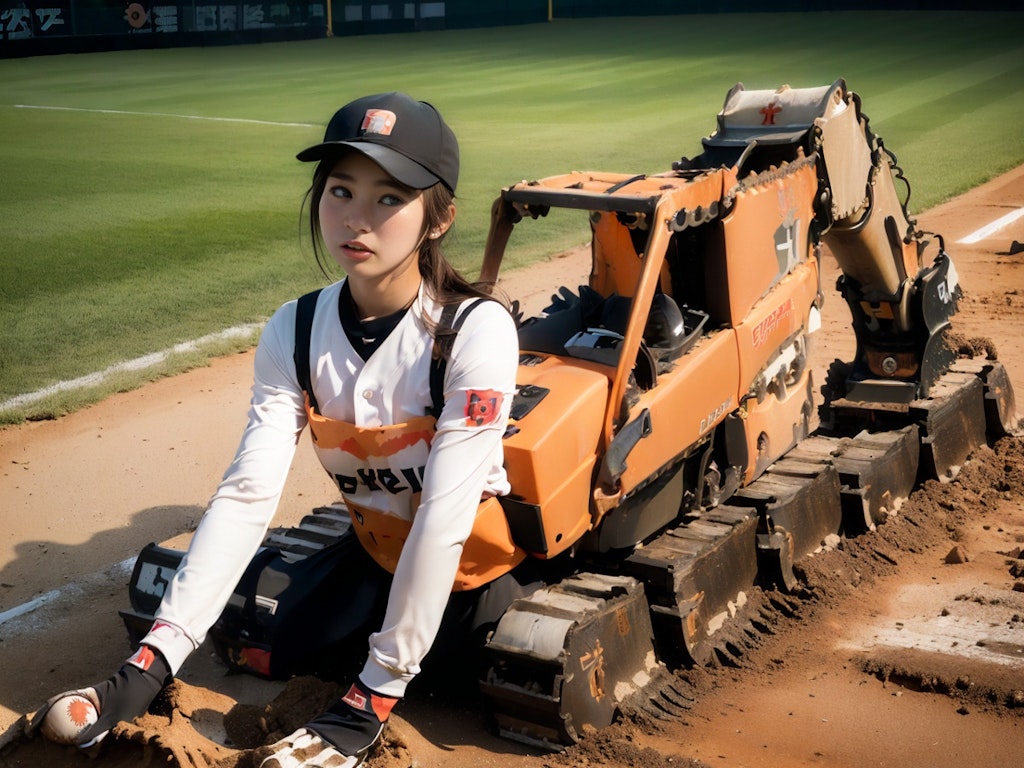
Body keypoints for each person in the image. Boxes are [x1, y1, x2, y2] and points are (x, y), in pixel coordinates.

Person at [29, 92, 520, 768]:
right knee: (275, 642)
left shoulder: (475, 331)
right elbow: (249, 492)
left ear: (439, 219)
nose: (356, 218)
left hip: (476, 572)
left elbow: (442, 518)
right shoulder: (294, 330)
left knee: (472, 673)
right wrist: (151, 661)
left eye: (388, 199)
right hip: (376, 555)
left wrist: (374, 696)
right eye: (340, 190)